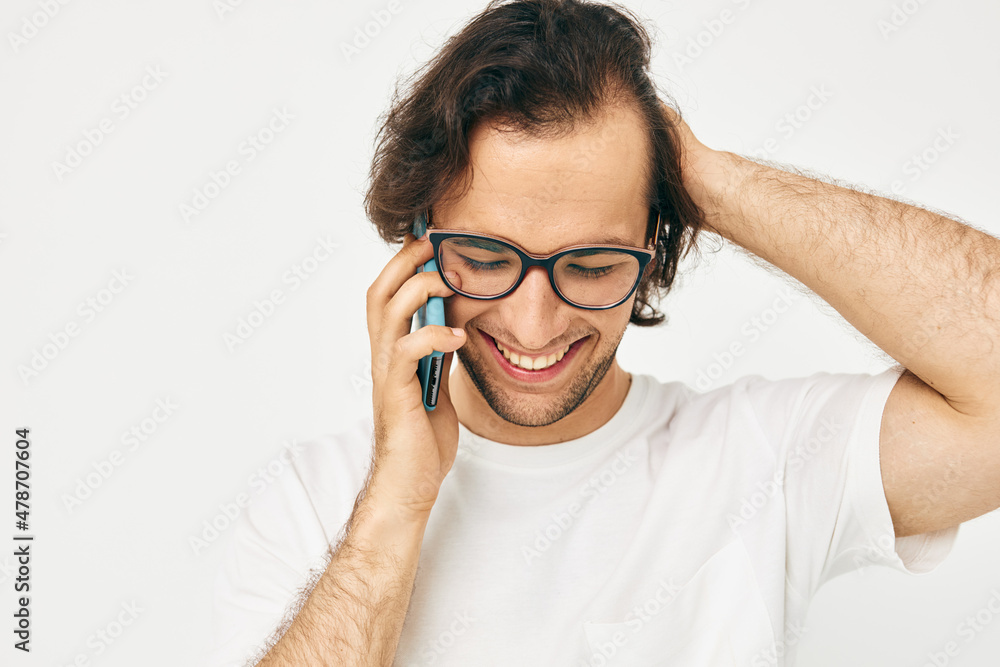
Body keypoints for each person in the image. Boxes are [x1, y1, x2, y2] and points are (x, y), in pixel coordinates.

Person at [210, 1, 999, 665]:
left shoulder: (761, 457)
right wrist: (397, 503)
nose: (533, 321)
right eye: (485, 258)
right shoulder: (313, 504)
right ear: (419, 239)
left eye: (589, 264)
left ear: (653, 245)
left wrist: (703, 180)